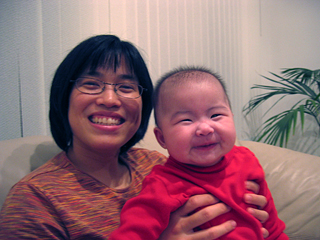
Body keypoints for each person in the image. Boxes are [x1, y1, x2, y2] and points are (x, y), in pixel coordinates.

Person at [0, 35, 269, 239]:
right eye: (91, 84)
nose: (109, 99)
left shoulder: (155, 164)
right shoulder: (34, 200)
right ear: (64, 96)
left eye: (126, 87)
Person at [109, 66, 288, 240]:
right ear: (161, 138)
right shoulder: (162, 185)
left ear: (232, 118)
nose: (205, 128)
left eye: (216, 115)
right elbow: (132, 233)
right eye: (186, 120)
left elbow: (273, 228)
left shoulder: (247, 160)